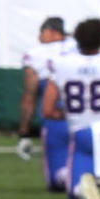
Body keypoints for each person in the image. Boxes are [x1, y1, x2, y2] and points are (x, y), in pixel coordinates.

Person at [40, 17, 100, 199]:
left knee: (75, 194)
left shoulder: (62, 64)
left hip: (81, 132)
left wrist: (68, 114)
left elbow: (47, 109)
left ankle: (82, 187)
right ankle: (98, 177)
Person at [16, 14, 74, 158]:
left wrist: (24, 133)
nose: (39, 36)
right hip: (85, 117)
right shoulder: (77, 46)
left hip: (54, 118)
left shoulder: (35, 54)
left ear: (51, 32)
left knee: (59, 171)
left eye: (42, 31)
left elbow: (29, 97)